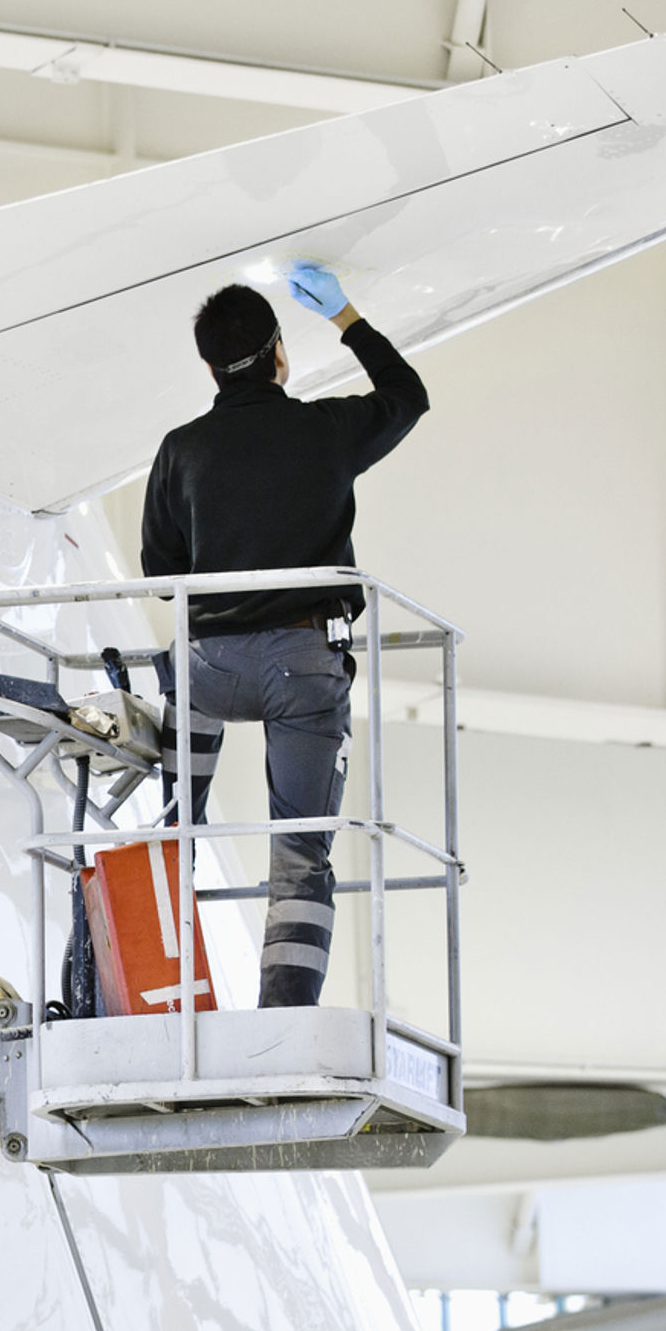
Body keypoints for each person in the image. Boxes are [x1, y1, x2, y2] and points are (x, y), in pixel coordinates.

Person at [137, 261, 428, 1008]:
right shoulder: (323, 431)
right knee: (300, 853)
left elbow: (160, 572)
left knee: (175, 833)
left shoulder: (179, 449)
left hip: (207, 671)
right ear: (279, 355)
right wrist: (346, 316)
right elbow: (407, 397)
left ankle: (141, 982)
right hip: (303, 663)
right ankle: (285, 1016)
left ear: (208, 367)